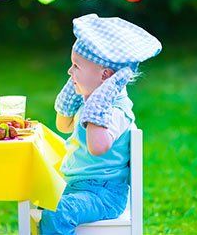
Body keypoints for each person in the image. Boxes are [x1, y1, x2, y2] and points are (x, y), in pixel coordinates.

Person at [39, 14, 161, 234]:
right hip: (76, 186)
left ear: (106, 76)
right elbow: (63, 124)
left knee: (58, 213)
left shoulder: (114, 111)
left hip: (102, 195)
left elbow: (97, 147)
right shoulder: (90, 99)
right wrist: (75, 92)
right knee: (34, 191)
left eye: (76, 66)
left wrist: (100, 98)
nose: (70, 71)